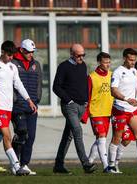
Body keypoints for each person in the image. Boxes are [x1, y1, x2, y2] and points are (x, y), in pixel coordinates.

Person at [0, 40, 37, 176]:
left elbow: (19, 84)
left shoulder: (12, 67)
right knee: (7, 135)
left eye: (13, 55)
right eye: (9, 55)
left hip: (8, 107)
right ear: (3, 52)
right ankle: (17, 167)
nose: (11, 58)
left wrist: (29, 100)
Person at [52, 43, 97, 174]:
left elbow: (84, 85)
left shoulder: (83, 66)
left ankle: (58, 165)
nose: (82, 58)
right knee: (77, 131)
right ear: (72, 54)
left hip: (81, 106)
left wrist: (86, 101)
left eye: (83, 55)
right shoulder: (64, 67)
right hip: (69, 106)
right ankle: (86, 164)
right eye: (79, 55)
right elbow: (56, 87)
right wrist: (69, 100)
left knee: (68, 136)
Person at [108, 48, 137, 173]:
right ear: (124, 58)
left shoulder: (134, 71)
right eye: (130, 59)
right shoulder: (118, 72)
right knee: (117, 138)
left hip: (132, 109)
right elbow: (113, 91)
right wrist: (126, 99)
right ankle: (111, 165)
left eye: (134, 60)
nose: (133, 62)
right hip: (119, 109)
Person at [11, 39, 42, 175]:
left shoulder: (36, 64)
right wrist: (14, 99)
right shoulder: (12, 63)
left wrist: (37, 99)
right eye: (28, 52)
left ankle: (24, 164)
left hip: (32, 106)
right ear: (22, 50)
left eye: (32, 52)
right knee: (22, 133)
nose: (31, 54)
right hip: (17, 105)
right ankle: (15, 163)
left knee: (31, 136)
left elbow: (39, 84)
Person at [80, 52, 113, 173]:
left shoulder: (112, 75)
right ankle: (106, 166)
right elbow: (87, 97)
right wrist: (85, 114)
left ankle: (88, 163)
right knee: (102, 138)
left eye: (109, 62)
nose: (108, 65)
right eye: (105, 62)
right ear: (99, 62)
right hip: (96, 112)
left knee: (100, 140)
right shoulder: (92, 77)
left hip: (108, 112)